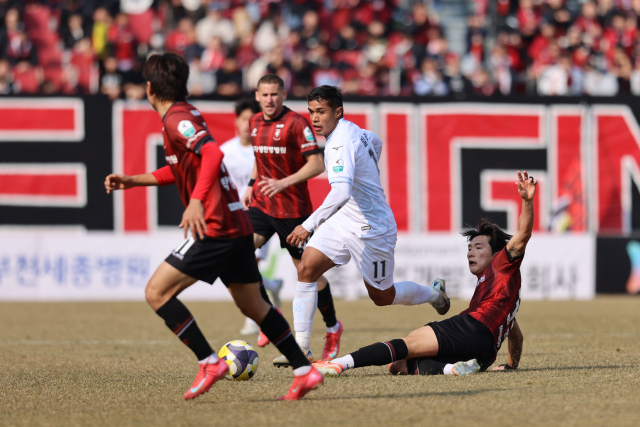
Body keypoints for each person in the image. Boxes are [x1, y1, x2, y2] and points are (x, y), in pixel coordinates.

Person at [103, 53, 322, 401]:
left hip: (216, 225)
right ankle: (303, 370)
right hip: (236, 224)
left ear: (149, 88)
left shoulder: (177, 118)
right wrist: (133, 180)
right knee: (254, 306)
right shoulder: (184, 114)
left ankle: (209, 362)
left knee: (156, 293)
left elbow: (213, 155)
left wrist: (195, 202)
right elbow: (178, 170)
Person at [313, 171, 535, 377]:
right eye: (469, 248)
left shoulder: (501, 263)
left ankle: (339, 364)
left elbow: (522, 235)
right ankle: (452, 369)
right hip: (484, 355)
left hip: (470, 329)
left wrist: (527, 201)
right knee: (396, 366)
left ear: (496, 253)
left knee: (406, 345)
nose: (471, 252)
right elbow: (516, 335)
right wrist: (510, 365)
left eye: (478, 247)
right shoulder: (502, 294)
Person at [286, 85, 450, 363]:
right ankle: (301, 349)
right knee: (306, 268)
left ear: (338, 112)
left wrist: (308, 225)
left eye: (321, 112)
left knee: (382, 296)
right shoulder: (352, 131)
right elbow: (375, 142)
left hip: (372, 229)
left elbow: (340, 192)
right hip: (343, 221)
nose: (314, 118)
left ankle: (435, 295)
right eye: (311, 111)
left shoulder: (339, 143)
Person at [242, 74, 342, 365]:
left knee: (307, 271)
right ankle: (269, 318)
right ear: (257, 96)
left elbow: (316, 163)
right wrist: (251, 185)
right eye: (265, 94)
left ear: (283, 95)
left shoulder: (297, 124)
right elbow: (259, 160)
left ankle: (333, 327)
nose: (270, 99)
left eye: (275, 94)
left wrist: (283, 183)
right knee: (239, 253)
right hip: (262, 204)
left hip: (293, 211)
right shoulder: (254, 122)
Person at [221, 98, 284, 336]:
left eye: (251, 119)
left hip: (258, 214)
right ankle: (273, 287)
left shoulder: (265, 149)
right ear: (236, 121)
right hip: (231, 217)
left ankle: (253, 318)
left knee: (248, 264)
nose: (247, 124)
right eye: (242, 119)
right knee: (235, 268)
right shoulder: (225, 152)